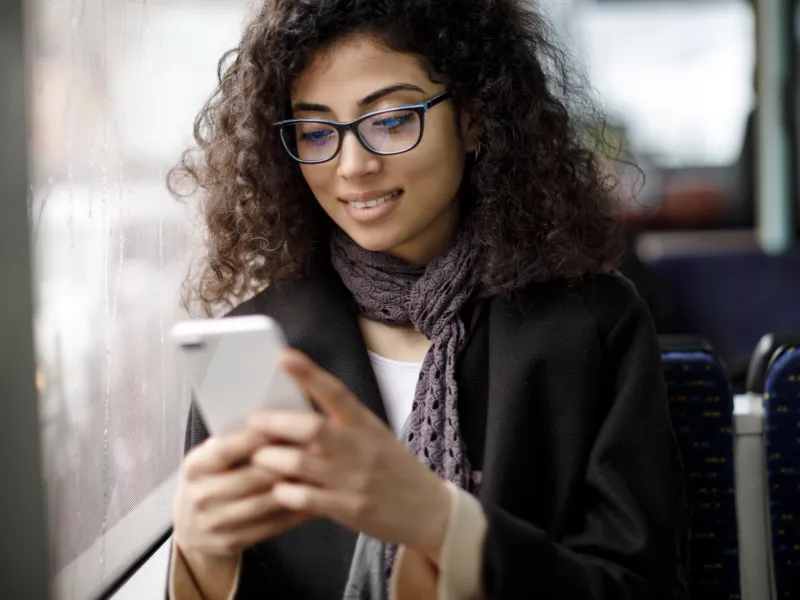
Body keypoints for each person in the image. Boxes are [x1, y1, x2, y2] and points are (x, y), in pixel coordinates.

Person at [166, 1, 689, 599]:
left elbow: (639, 587)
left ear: (473, 119)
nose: (352, 166)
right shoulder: (252, 344)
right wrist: (204, 561)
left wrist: (443, 526)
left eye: (390, 120)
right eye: (315, 132)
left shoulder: (592, 325)